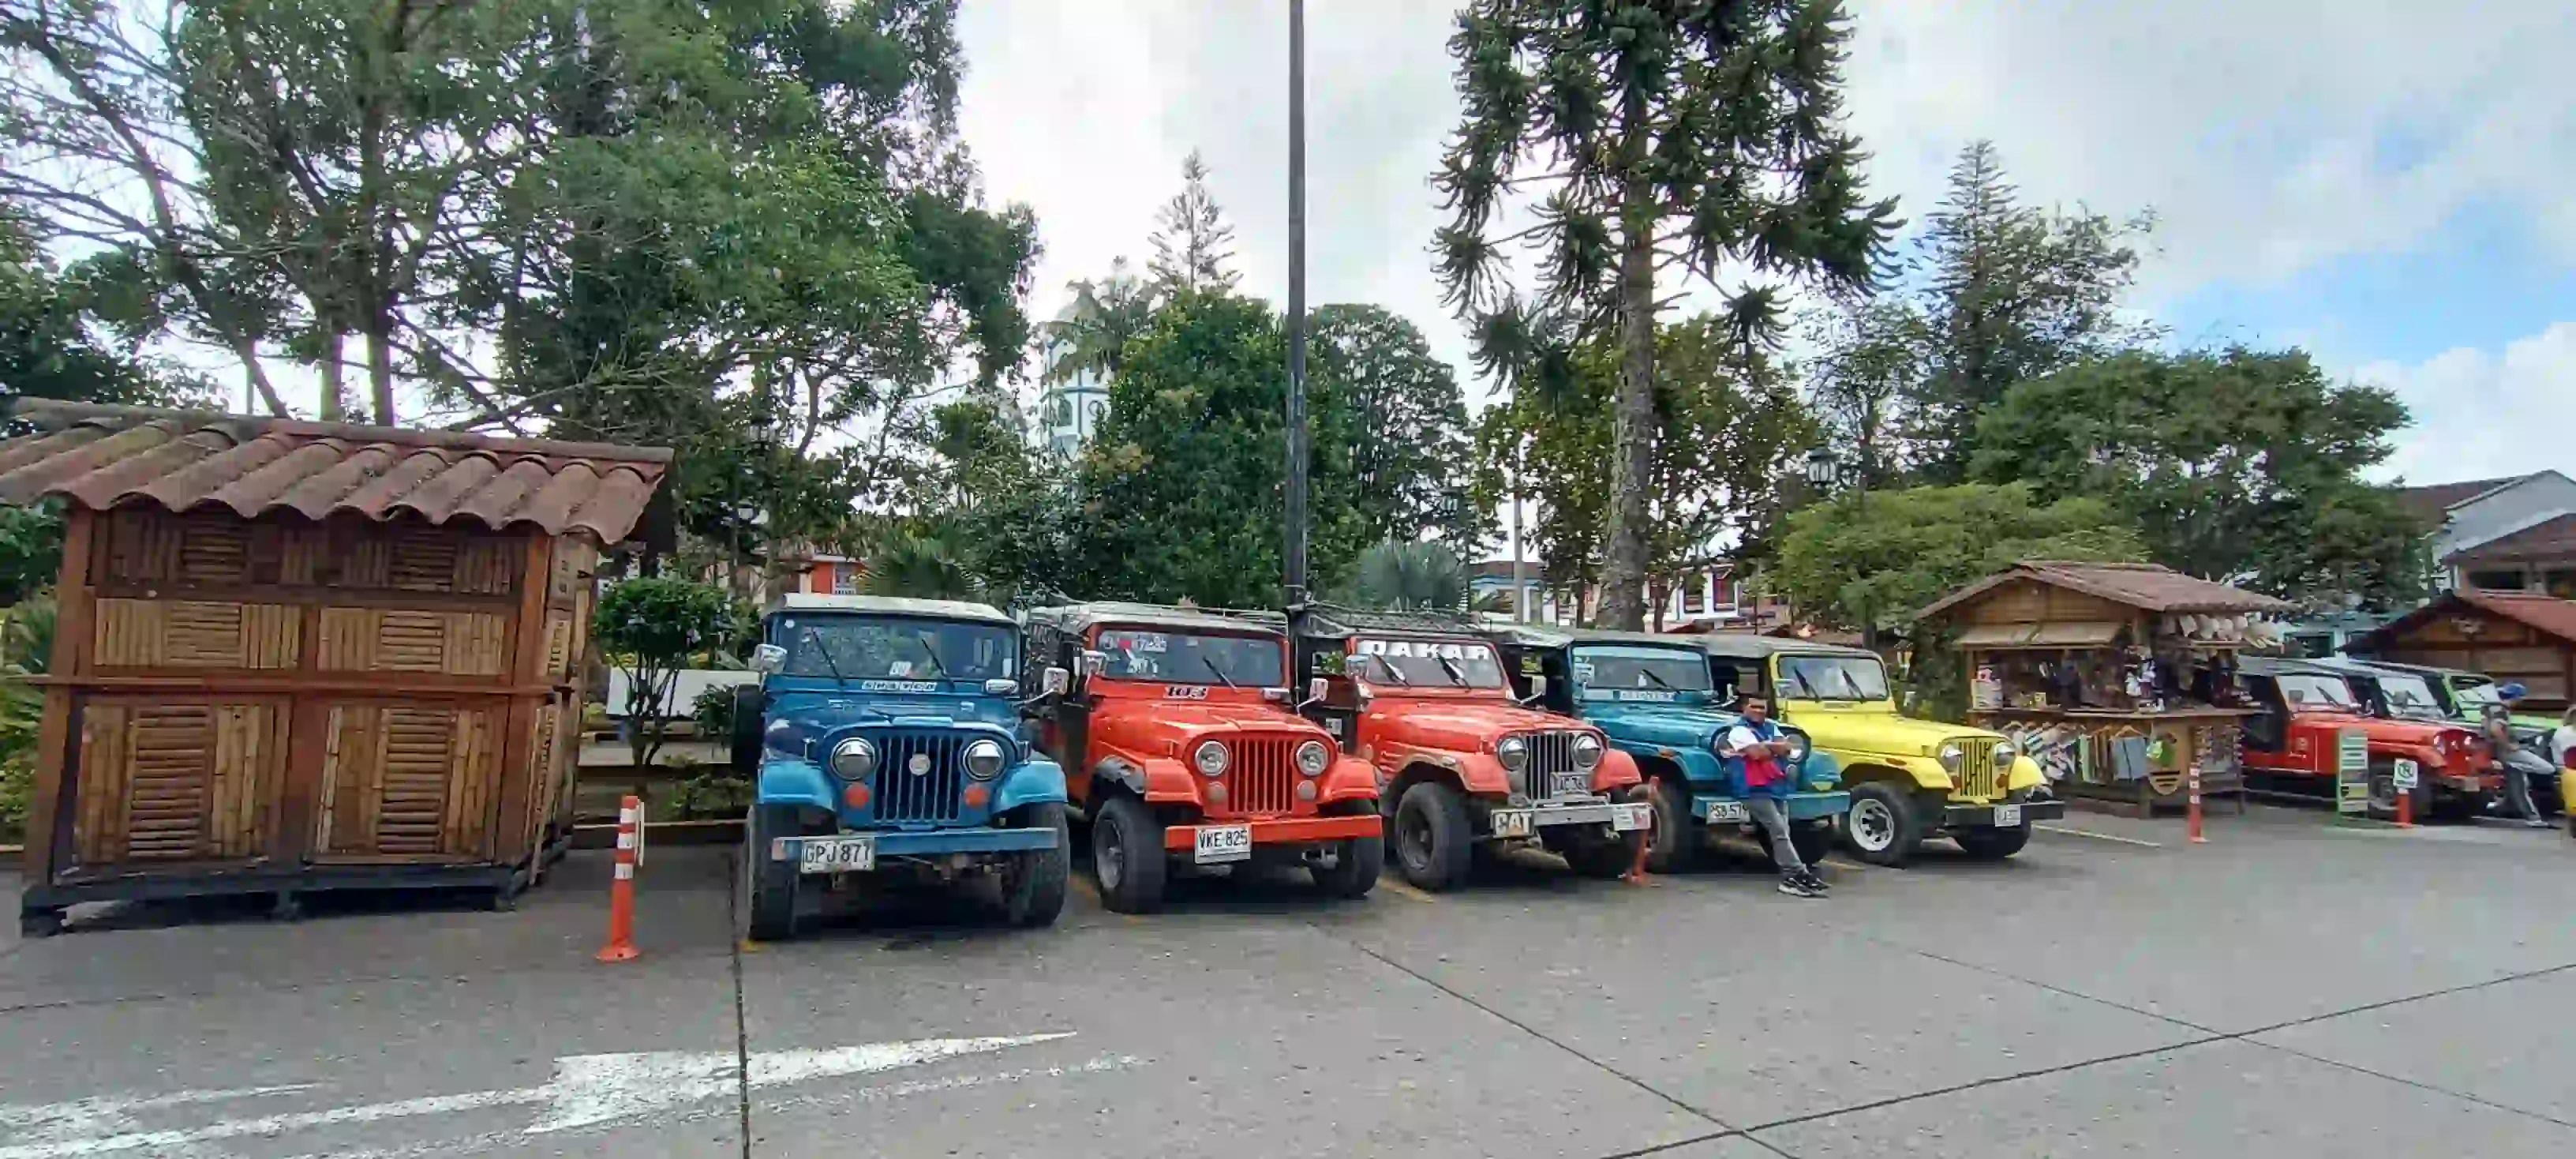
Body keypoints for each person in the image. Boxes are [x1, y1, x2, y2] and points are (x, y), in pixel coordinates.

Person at [1720, 696, 1828, 898]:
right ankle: (1798, 873)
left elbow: (1787, 747)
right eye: (1754, 707)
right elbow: (1757, 753)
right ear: (1744, 708)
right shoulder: (1739, 731)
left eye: (1762, 707)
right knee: (1778, 829)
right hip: (1751, 788)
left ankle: (1790, 879)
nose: (1758, 711)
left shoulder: (1771, 727)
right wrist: (1774, 748)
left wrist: (1769, 747)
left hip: (1775, 786)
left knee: (1783, 831)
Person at [2481, 695, 2552, 828]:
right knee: (2548, 769)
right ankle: (2518, 768)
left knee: (2518, 787)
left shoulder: (2490, 709)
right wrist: (2508, 745)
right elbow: (2495, 729)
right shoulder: (2501, 711)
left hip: (2500, 753)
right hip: (2510, 753)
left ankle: (2532, 818)